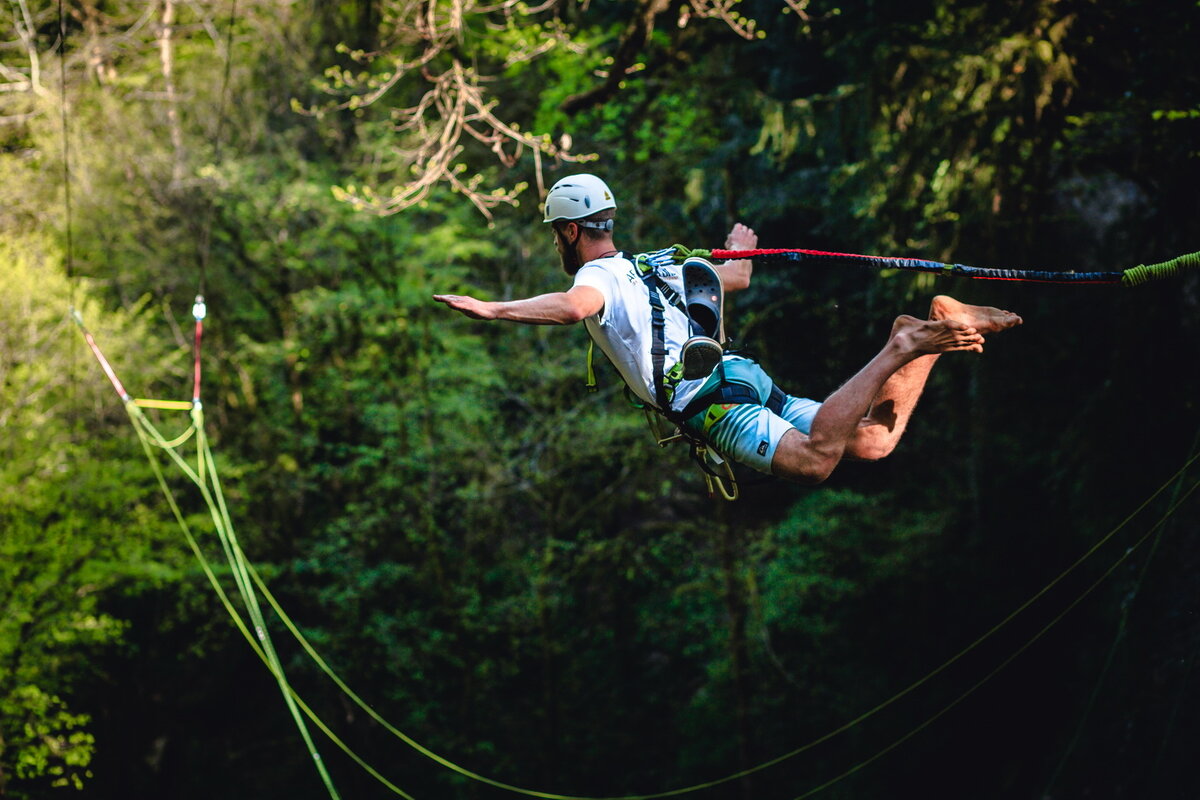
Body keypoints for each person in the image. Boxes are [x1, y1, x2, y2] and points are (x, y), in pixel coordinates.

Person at [434, 174, 1022, 485]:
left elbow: (571, 307)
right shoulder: (653, 263)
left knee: (816, 462)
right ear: (607, 221)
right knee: (872, 441)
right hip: (741, 378)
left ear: (565, 232)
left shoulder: (599, 278)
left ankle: (903, 344)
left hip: (711, 403)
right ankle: (929, 327)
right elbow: (734, 279)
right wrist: (740, 251)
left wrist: (492, 308)